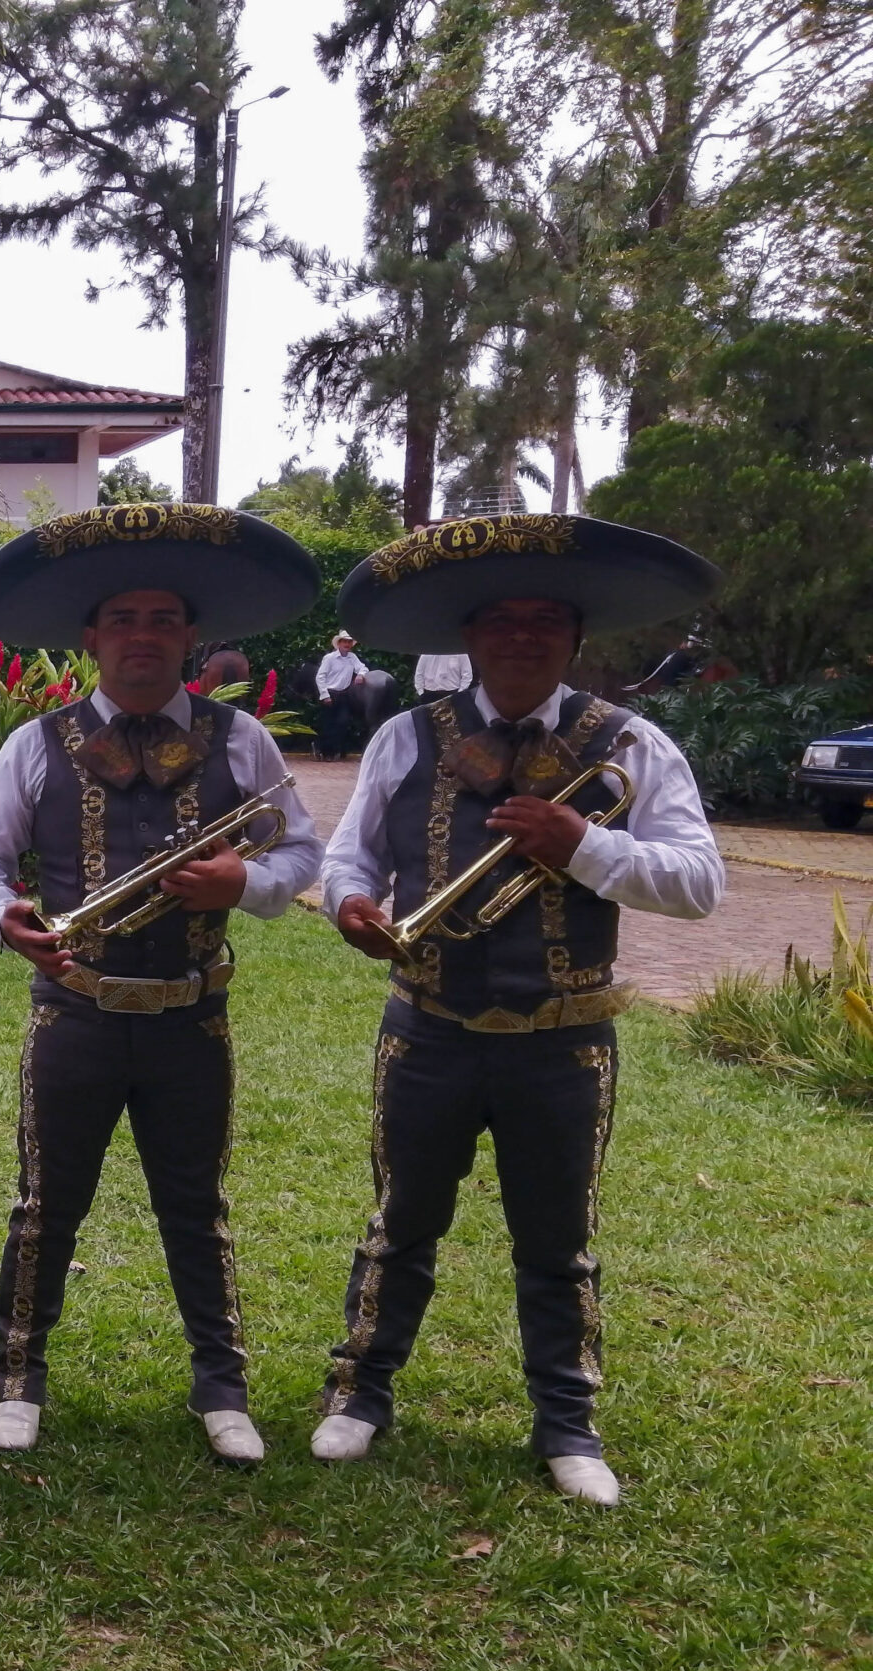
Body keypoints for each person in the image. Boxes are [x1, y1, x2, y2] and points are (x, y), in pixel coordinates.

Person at [316, 513, 726, 1505]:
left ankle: (565, 1423)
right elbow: (346, 855)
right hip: (426, 1026)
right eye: (501, 620)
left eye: (545, 620)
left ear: (573, 639)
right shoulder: (404, 736)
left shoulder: (628, 742)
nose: (522, 637)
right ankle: (359, 1393)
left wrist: (581, 843)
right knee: (400, 1220)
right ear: (471, 636)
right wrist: (350, 905)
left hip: (563, 1038)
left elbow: (699, 882)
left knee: (556, 1238)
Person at [0, 505, 324, 1463]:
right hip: (74, 1010)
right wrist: (4, 920)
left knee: (195, 1206)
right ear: (92, 638)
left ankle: (222, 1387)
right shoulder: (38, 743)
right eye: (124, 620)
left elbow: (303, 854)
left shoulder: (242, 744)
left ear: (190, 637)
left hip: (192, 1016)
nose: (144, 637)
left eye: (163, 620)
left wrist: (246, 880)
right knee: (46, 1201)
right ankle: (18, 1375)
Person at [314, 631, 370, 759]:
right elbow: (320, 677)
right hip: (330, 693)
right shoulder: (329, 658)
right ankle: (325, 752)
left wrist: (361, 675)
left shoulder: (352, 657)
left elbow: (363, 668)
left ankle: (336, 750)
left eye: (349, 642)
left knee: (342, 722)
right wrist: (325, 695)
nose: (347, 644)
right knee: (328, 724)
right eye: (345, 641)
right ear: (339, 643)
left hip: (344, 695)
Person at [625, 636, 704, 697]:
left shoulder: (678, 655)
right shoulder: (673, 654)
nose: (683, 644)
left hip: (673, 676)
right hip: (669, 678)